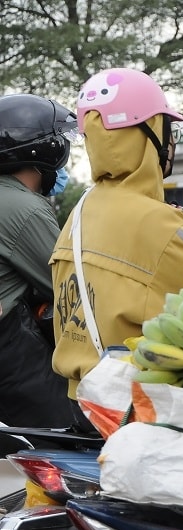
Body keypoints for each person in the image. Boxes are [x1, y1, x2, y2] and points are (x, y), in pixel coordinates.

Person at [50, 68, 183, 410]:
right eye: (167, 128)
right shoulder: (160, 222)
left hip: (80, 399)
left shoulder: (80, 211)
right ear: (148, 136)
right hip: (133, 408)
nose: (171, 140)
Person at [0, 93, 81, 428]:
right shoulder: (24, 209)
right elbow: (69, 285)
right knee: (71, 431)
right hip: (9, 352)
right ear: (44, 149)